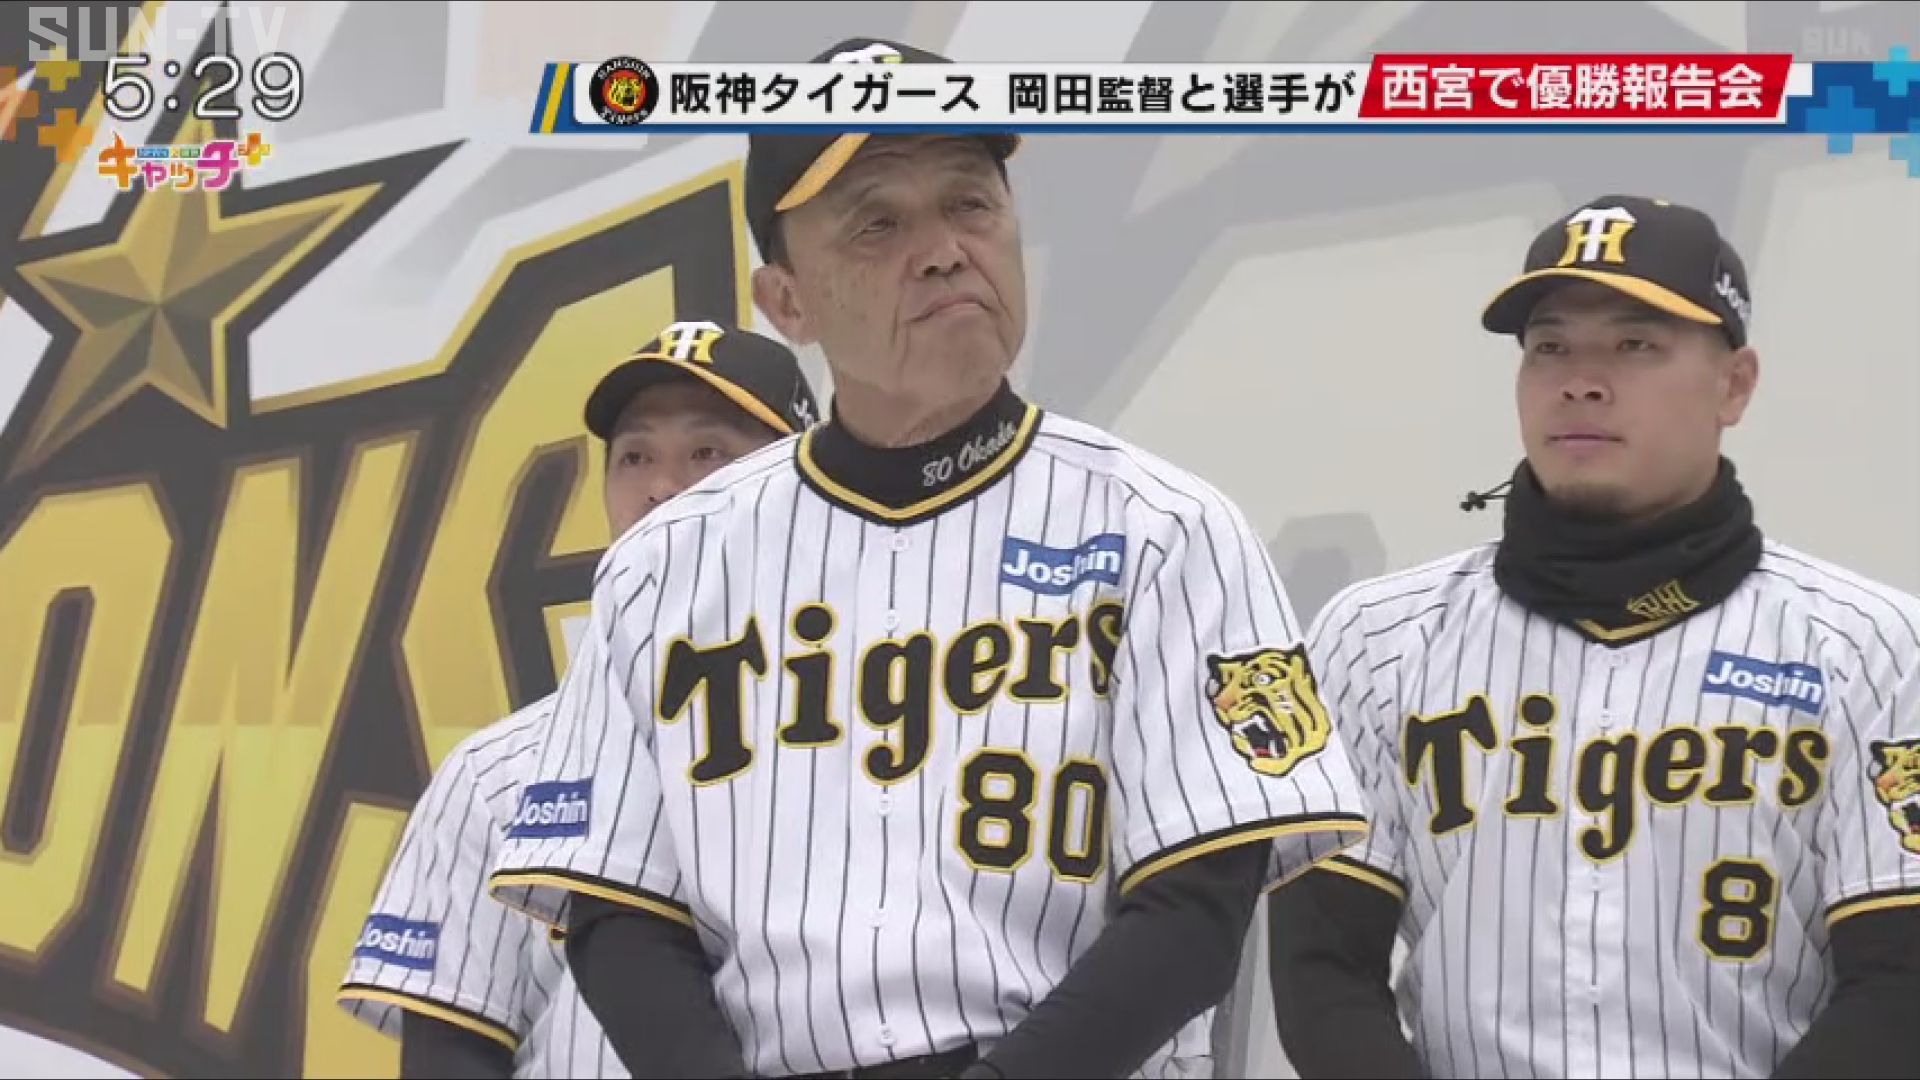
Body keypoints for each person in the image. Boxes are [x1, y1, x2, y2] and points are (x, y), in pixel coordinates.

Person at [485, 35, 1375, 1080]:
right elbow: (613, 908)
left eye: (969, 203)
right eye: (879, 223)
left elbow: (1198, 905)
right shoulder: (663, 566)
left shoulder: (1167, 530)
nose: (945, 249)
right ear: (787, 300)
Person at [1266, 194, 1920, 1079]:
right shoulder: (1374, 639)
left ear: (1734, 385)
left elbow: (1898, 985)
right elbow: (1323, 971)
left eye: (1635, 344)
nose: (1581, 379)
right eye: (1550, 347)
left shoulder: (1871, 648)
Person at [336, 321, 820, 1079]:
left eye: (708, 452)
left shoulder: (885, 719)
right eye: (635, 457)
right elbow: (451, 1054)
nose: (663, 487)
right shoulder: (496, 775)